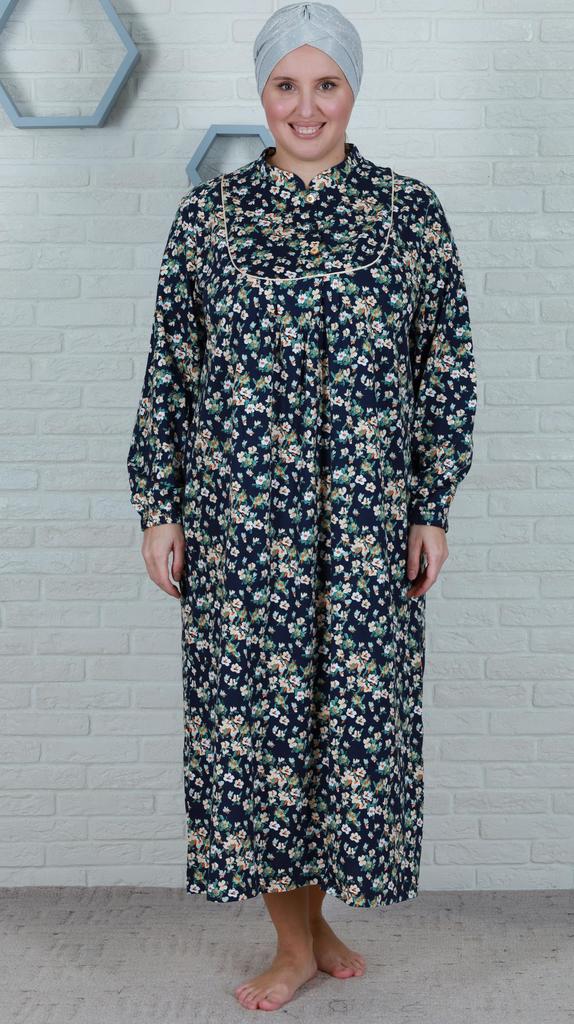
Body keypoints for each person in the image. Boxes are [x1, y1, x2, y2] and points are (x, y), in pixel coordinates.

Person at [127, 0, 478, 1012]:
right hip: (241, 525)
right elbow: (173, 369)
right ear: (262, 90)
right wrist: (159, 507)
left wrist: (430, 506)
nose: (306, 106)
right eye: (287, 84)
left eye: (326, 84)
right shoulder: (210, 218)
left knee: (349, 732)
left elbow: (446, 365)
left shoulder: (408, 213)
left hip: (365, 525)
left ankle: (316, 924)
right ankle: (290, 943)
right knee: (259, 732)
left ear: (352, 90)